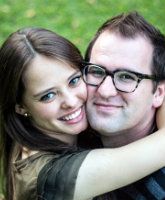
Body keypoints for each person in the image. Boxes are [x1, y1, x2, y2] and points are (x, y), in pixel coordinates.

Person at [0, 28, 165, 200]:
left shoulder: (35, 136)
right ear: (20, 107)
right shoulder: (50, 177)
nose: (71, 102)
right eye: (48, 95)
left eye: (74, 80)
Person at [83, 11, 165, 199]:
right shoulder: (64, 133)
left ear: (158, 93)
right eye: (97, 71)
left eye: (127, 77)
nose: (105, 91)